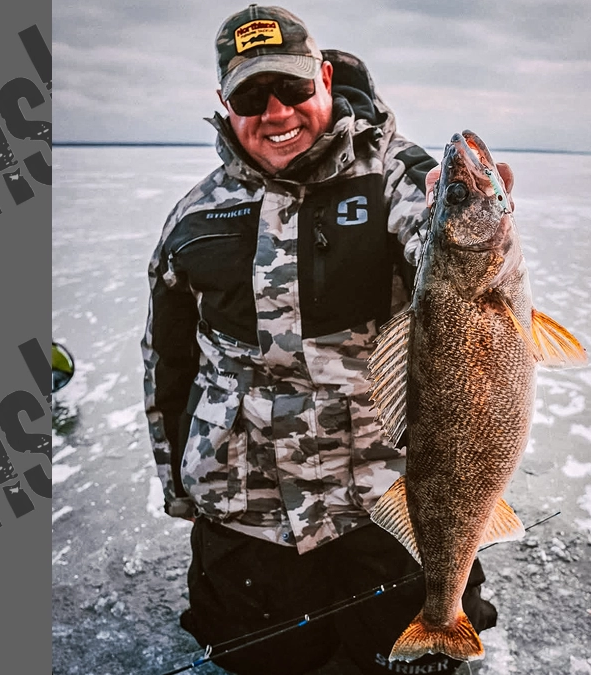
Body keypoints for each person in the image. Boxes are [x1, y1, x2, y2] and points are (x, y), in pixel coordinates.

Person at [141, 6, 514, 674]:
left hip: (382, 502)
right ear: (224, 104)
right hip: (247, 513)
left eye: (292, 87)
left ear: (326, 76)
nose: (277, 110)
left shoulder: (397, 178)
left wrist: (454, 208)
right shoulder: (194, 217)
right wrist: (178, 484)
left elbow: (441, 239)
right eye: (252, 96)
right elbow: (169, 361)